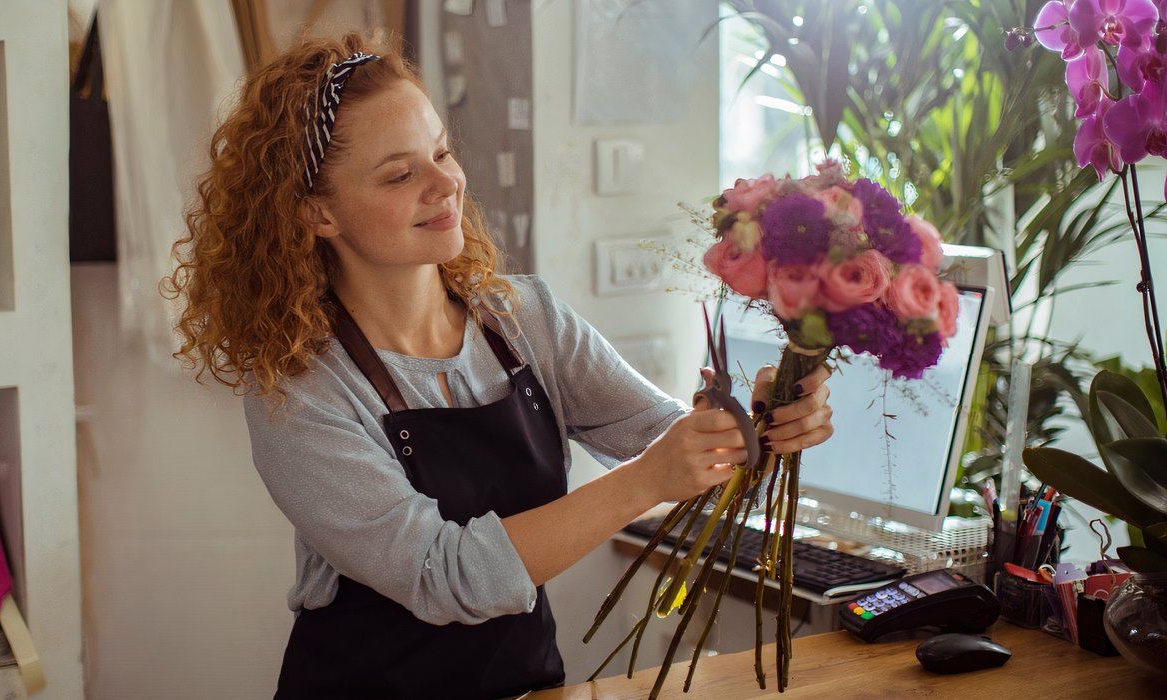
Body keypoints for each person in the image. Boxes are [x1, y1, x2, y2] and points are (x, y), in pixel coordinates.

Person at [164, 32, 836, 699]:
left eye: (441, 152)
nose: (446, 183)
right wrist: (645, 483)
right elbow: (442, 575)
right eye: (401, 175)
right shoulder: (302, 390)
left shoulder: (524, 318)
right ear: (316, 212)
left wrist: (756, 425)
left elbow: (661, 436)